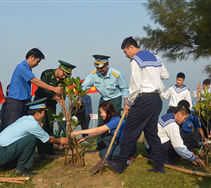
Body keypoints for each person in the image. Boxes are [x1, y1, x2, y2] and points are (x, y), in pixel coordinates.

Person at [105, 36, 169, 174]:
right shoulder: (156, 57)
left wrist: (128, 103)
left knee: (129, 133)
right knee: (152, 134)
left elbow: (135, 86)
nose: (126, 56)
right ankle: (159, 166)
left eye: (125, 52)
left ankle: (120, 166)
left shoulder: (136, 60)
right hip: (157, 100)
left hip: (144, 100)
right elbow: (166, 75)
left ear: (131, 47)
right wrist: (153, 74)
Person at [0, 98, 68, 176]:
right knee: (31, 138)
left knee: (29, 138)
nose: (44, 116)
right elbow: (48, 139)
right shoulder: (32, 124)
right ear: (37, 113)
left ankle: (1, 165)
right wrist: (61, 141)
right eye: (43, 113)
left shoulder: (24, 119)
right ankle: (20, 169)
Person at [82, 55, 129, 151]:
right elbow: (84, 87)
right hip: (103, 99)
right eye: (97, 67)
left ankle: (116, 144)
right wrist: (78, 97)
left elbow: (124, 90)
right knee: (101, 122)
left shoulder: (116, 74)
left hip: (115, 100)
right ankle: (100, 145)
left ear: (107, 64)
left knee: (114, 122)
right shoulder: (93, 74)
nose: (100, 69)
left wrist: (126, 106)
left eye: (102, 67)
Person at [7, 48, 63, 126]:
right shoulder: (22, 67)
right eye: (37, 61)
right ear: (32, 57)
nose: (37, 64)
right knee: (14, 128)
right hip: (17, 103)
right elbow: (35, 81)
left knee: (23, 129)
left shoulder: (27, 68)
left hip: (24, 103)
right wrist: (54, 89)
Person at [34, 60, 76, 158]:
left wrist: (62, 103)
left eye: (67, 75)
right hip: (41, 102)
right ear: (59, 69)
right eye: (63, 74)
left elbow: (63, 93)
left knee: (50, 125)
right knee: (41, 125)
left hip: (51, 104)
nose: (64, 77)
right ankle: (41, 151)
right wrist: (54, 96)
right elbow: (43, 88)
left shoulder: (64, 80)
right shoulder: (47, 74)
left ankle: (49, 149)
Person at [71, 101, 136, 162]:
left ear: (107, 111)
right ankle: (115, 154)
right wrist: (84, 138)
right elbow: (99, 132)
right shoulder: (112, 119)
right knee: (104, 135)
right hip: (121, 143)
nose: (100, 114)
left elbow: (97, 130)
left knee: (102, 154)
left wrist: (78, 132)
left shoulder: (115, 121)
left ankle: (127, 158)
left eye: (101, 112)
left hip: (128, 147)